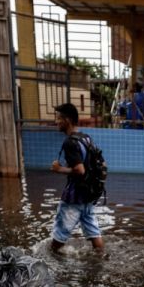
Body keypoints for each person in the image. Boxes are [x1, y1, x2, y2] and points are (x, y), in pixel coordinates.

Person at [49, 102, 105, 253]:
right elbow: (102, 163)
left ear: (67, 120)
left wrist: (59, 169)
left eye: (58, 118)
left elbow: (79, 170)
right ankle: (100, 259)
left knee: (58, 238)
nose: (56, 122)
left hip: (73, 198)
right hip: (88, 196)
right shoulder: (86, 138)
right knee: (94, 234)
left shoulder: (70, 142)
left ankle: (52, 264)